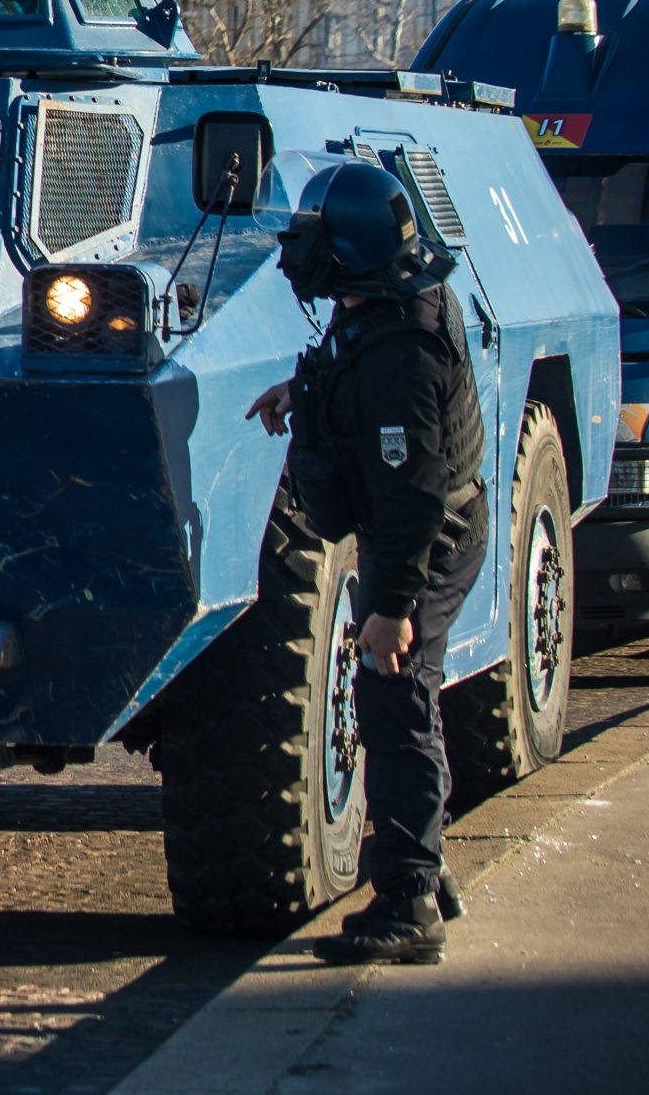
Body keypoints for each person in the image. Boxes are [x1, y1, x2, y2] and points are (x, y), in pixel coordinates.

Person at [245, 160, 484, 966]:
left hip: (424, 536)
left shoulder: (402, 349)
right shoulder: (380, 306)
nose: (299, 258)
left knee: (394, 694)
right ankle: (424, 865)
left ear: (351, 250)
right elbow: (355, 365)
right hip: (417, 524)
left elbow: (413, 489)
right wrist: (296, 390)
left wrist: (392, 606)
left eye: (315, 242)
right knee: (400, 694)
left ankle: (410, 899)